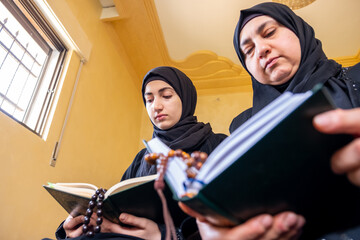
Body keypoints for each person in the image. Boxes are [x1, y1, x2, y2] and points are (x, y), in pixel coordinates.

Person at [182, 2, 360, 240]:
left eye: (269, 33)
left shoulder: (356, 77)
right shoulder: (243, 125)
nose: (261, 49)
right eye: (248, 51)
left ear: (299, 31)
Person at [53, 66, 228, 240]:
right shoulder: (142, 157)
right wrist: (79, 223)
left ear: (186, 98)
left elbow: (234, 216)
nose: (156, 106)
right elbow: (115, 208)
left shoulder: (219, 145)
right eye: (149, 100)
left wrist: (167, 234)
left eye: (166, 96)